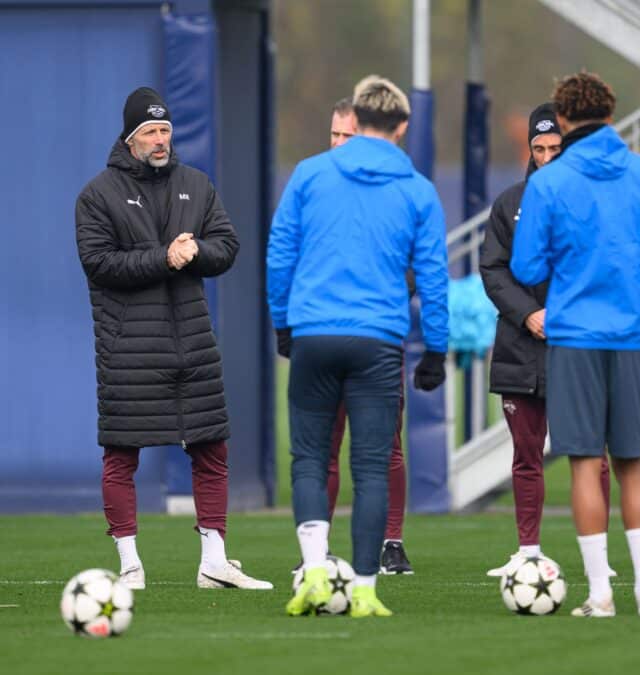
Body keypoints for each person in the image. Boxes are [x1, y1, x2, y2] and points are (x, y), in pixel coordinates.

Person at [75, 86, 271, 591]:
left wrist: (196, 251)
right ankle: (130, 565)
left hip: (193, 344)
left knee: (212, 449)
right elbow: (99, 264)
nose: (160, 140)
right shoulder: (98, 194)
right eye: (150, 132)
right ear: (130, 137)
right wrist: (163, 257)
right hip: (128, 349)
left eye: (165, 130)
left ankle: (215, 561)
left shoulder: (197, 184)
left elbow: (226, 245)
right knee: (121, 455)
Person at [269, 75, 448, 618]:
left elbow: (280, 256)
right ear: (401, 126)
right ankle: (366, 588)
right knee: (371, 466)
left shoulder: (308, 174)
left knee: (308, 459)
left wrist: (283, 324)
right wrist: (435, 348)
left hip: (315, 332)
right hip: (378, 339)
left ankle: (316, 574)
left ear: (357, 120)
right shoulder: (417, 189)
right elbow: (434, 276)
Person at [511, 71, 640, 617]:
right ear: (611, 115)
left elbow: (526, 265)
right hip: (630, 333)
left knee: (585, 463)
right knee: (631, 462)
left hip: (576, 335)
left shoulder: (549, 182)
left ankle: (601, 596)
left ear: (562, 120)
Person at [279, 97, 415, 575]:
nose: (338, 144)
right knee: (324, 447)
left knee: (382, 449)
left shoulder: (395, 184)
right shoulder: (315, 180)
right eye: (333, 135)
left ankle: (390, 543)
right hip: (324, 330)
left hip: (374, 332)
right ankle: (320, 552)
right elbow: (286, 252)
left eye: (348, 136)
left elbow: (417, 263)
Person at [480, 103, 613, 577]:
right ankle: (528, 550)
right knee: (526, 456)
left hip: (578, 348)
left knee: (592, 453)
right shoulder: (509, 204)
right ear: (530, 151)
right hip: (521, 347)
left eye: (556, 147)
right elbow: (492, 270)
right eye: (540, 148)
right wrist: (528, 314)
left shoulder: (594, 200)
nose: (548, 156)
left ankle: (596, 552)